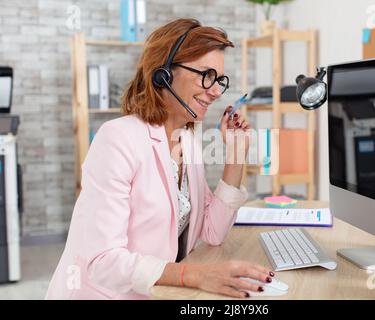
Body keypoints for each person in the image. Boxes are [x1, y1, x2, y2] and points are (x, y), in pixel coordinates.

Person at [45, 18, 274, 300]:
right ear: (164, 73)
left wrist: (236, 155)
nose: (216, 91)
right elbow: (102, 261)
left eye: (219, 80)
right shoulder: (117, 139)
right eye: (207, 75)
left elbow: (212, 232)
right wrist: (196, 275)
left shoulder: (187, 138)